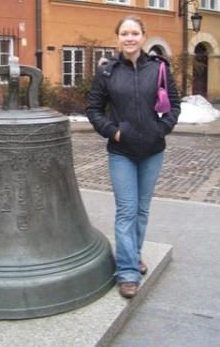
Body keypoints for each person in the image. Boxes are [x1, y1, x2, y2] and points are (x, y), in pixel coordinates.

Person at [86, 16, 181, 299]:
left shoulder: (159, 68)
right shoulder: (107, 72)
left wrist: (160, 129)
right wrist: (113, 132)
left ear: (143, 37)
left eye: (135, 33)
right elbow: (93, 109)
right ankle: (127, 271)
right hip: (121, 152)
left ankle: (133, 254)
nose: (130, 38)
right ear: (117, 38)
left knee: (141, 209)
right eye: (124, 33)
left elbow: (174, 105)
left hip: (153, 151)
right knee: (127, 211)